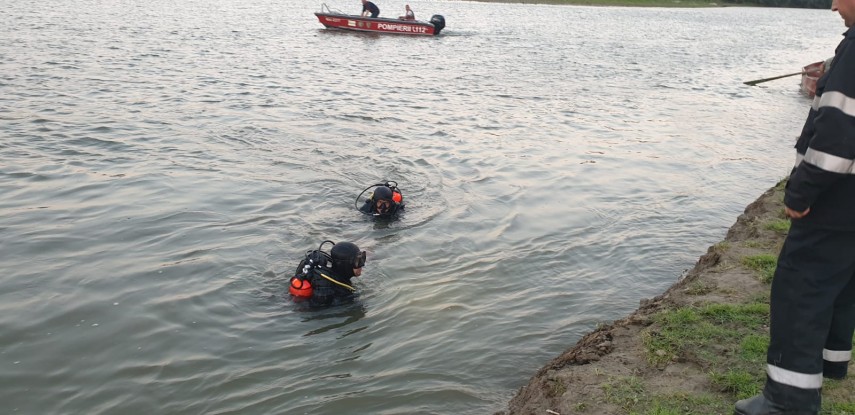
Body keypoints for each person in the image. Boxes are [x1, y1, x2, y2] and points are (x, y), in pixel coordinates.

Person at [734, 0, 855, 414]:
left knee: (802, 290)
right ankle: (827, 363)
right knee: (841, 284)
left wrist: (800, 193)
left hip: (838, 202)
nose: (835, 4)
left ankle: (789, 400)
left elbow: (838, 136)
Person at [289, 241, 366, 308]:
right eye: (358, 262)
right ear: (345, 265)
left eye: (362, 259)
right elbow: (318, 310)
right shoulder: (326, 286)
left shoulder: (337, 278)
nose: (362, 265)